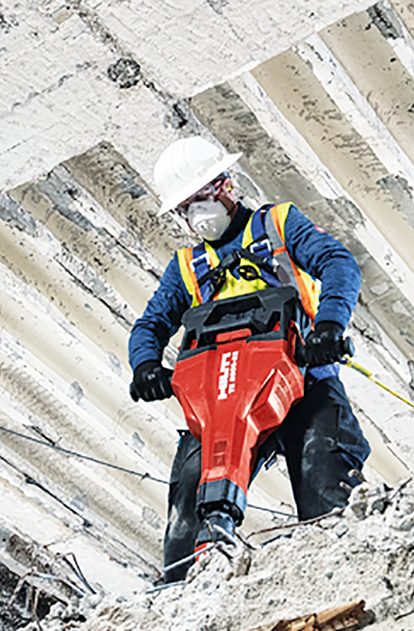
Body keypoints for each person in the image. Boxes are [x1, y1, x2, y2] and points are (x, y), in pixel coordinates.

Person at [128, 137, 371, 582]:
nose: (195, 214)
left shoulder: (278, 224)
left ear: (226, 186)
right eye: (185, 207)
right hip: (219, 399)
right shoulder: (186, 265)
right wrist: (145, 365)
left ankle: (346, 571)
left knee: (326, 481)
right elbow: (151, 324)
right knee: (188, 506)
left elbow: (338, 263)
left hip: (302, 382)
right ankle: (187, 591)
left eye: (200, 198)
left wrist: (329, 328)